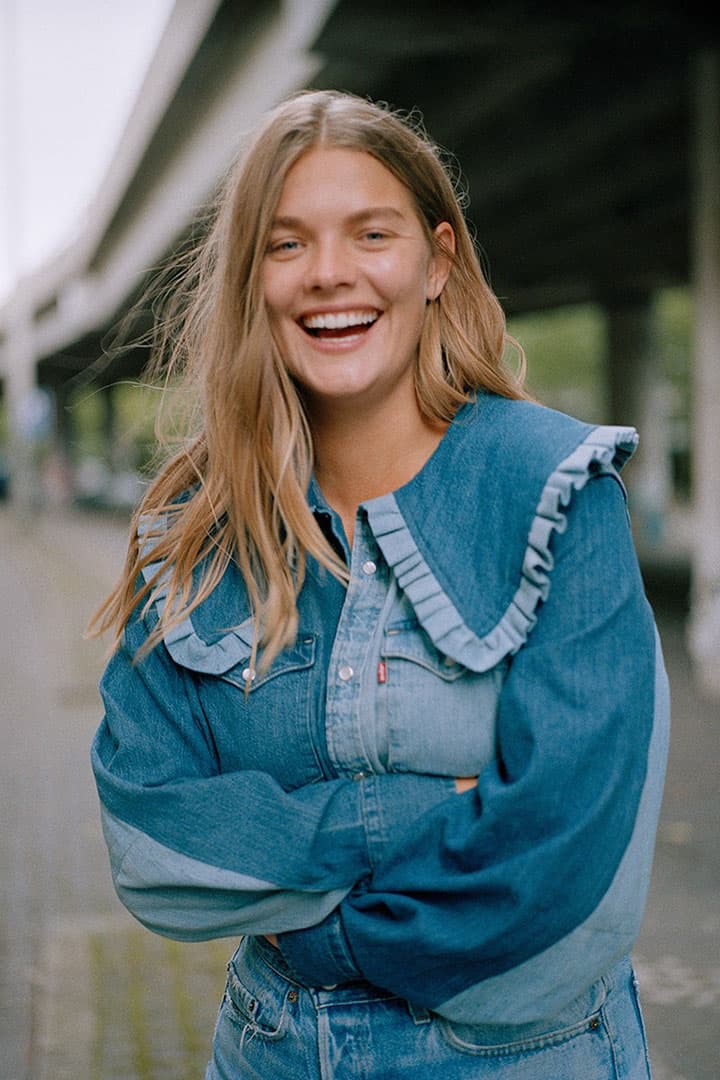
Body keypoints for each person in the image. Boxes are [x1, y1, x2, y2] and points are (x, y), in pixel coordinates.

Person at [90, 89, 670, 1079]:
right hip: (269, 1053)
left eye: (372, 233)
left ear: (436, 261)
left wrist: (325, 932)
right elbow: (152, 837)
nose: (329, 276)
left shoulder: (558, 491)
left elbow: (574, 871)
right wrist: (410, 813)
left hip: (522, 1055)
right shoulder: (192, 533)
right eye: (285, 245)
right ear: (251, 280)